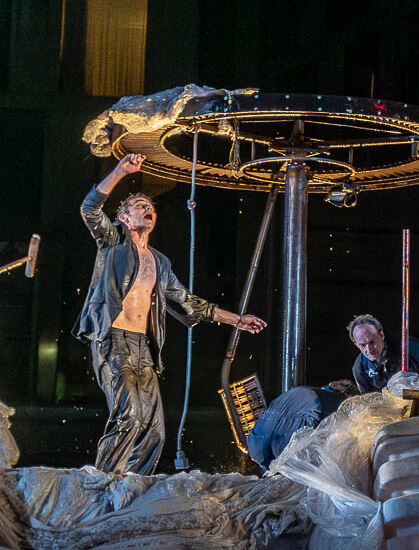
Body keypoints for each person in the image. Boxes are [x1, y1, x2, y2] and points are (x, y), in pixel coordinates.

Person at [74, 153, 267, 475]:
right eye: (138, 206)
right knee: (129, 416)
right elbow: (89, 209)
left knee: (154, 431)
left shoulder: (160, 262)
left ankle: (133, 485)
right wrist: (121, 170)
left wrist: (237, 320)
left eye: (150, 207)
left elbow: (187, 301)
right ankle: (102, 484)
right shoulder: (112, 243)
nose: (147, 209)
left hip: (144, 348)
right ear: (123, 217)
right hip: (114, 340)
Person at [246, 379, 355, 473]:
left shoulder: (299, 390)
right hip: (286, 442)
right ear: (345, 393)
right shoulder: (336, 400)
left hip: (255, 442)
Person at [346, 313, 419, 393]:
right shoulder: (359, 368)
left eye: (372, 342)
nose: (369, 350)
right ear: (356, 344)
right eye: (362, 345)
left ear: (381, 335)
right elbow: (368, 400)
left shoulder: (406, 345)